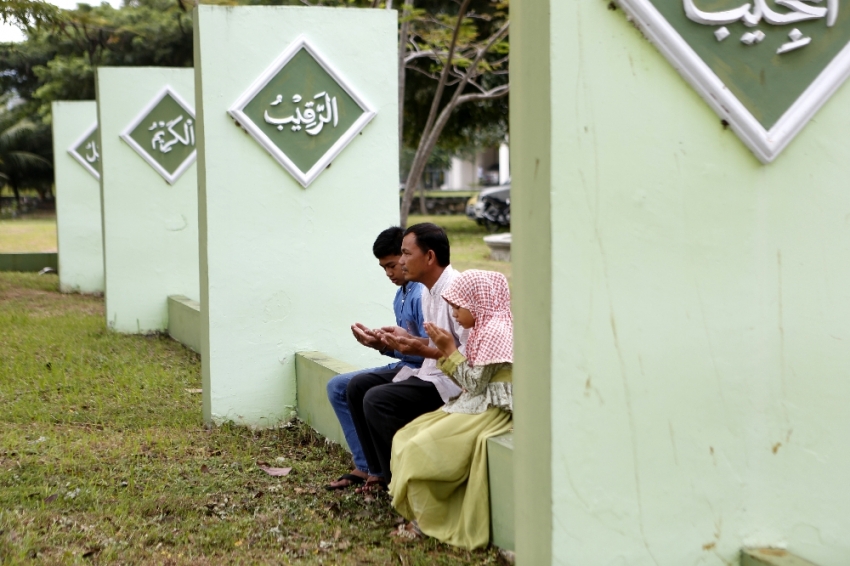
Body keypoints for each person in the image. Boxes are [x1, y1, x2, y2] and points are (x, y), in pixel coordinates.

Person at [389, 269, 513, 550]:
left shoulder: (496, 332)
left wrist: (448, 349)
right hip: (474, 403)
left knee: (418, 448)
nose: (454, 313)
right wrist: (444, 352)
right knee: (407, 437)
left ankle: (426, 521)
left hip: (489, 411)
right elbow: (469, 381)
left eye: (458, 306)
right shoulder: (483, 328)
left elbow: (475, 385)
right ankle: (423, 515)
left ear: (479, 301)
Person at [346, 223, 468, 492]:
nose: (400, 262)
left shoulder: (458, 290)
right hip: (430, 371)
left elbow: (469, 356)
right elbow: (436, 341)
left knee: (377, 399)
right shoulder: (427, 290)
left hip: (455, 383)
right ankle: (379, 473)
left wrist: (419, 349)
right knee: (356, 386)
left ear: (429, 256)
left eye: (405, 254)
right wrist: (405, 340)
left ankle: (406, 484)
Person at [324, 227, 426, 490]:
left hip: (425, 371)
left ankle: (382, 473)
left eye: (393, 264)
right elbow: (408, 348)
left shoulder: (423, 293)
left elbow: (430, 353)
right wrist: (382, 345)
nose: (390, 273)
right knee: (338, 386)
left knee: (365, 390)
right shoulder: (401, 295)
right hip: (409, 364)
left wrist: (387, 346)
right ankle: (367, 466)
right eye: (384, 268)